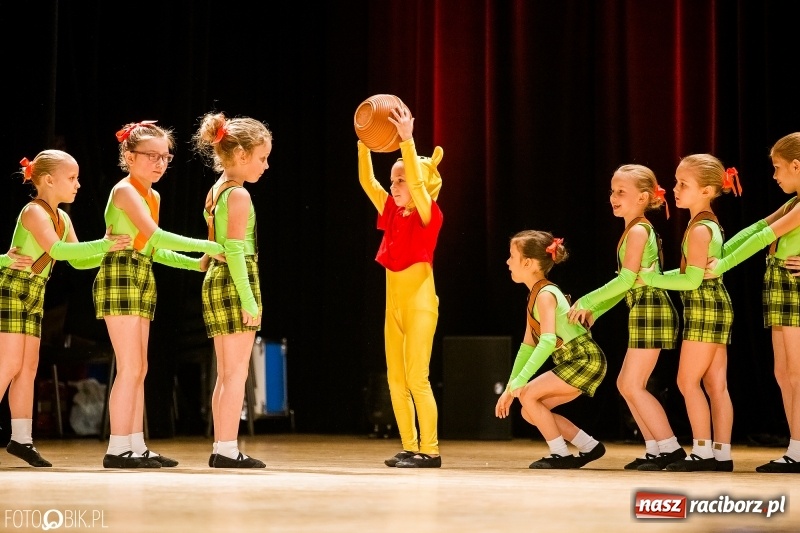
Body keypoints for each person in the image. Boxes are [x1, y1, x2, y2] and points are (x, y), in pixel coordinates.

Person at [95, 120, 224, 469]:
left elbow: (153, 248)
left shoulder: (153, 194)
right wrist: (208, 244)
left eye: (165, 156)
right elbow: (156, 233)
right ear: (129, 155)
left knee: (141, 367)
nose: (159, 163)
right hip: (120, 274)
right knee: (130, 366)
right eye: (150, 156)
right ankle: (117, 447)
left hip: (140, 274)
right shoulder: (124, 191)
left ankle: (136, 445)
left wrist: (195, 263)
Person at [0, 150, 130, 467]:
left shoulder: (63, 218)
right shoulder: (33, 213)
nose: (78, 184)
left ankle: (21, 440)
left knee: (28, 368)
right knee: (8, 365)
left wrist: (107, 250)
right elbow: (56, 249)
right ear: (47, 180)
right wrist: (104, 245)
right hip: (14, 288)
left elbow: (76, 258)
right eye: (71, 178)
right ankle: (19, 438)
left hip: (35, 291)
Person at [567, 165, 685, 470]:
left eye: (621, 192)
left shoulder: (637, 230)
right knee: (626, 383)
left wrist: (587, 300)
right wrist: (595, 310)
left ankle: (670, 448)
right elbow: (626, 286)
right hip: (644, 308)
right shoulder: (633, 229)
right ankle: (654, 449)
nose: (613, 197)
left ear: (643, 197)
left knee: (632, 384)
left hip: (652, 310)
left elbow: (624, 281)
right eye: (612, 191)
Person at [703, 132, 800, 473]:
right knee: (783, 372)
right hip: (779, 282)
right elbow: (757, 227)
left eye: (777, 168)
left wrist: (722, 266)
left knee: (797, 373)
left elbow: (765, 237)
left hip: (794, 286)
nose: (774, 176)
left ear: (796, 165)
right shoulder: (792, 202)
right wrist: (718, 253)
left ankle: (799, 450)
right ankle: (796, 447)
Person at [637, 153, 741, 472]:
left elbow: (693, 279)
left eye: (684, 184)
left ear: (708, 190)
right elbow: (691, 273)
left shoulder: (699, 229)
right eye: (677, 182)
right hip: (714, 304)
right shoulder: (704, 222)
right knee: (715, 384)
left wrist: (651, 278)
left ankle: (702, 451)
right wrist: (655, 278)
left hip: (706, 306)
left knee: (687, 381)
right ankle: (720, 454)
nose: (676, 189)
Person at [358, 105, 444, 468]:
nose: (393, 186)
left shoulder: (430, 213)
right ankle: (410, 445)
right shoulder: (391, 210)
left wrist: (407, 141)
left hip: (420, 304)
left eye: (401, 179)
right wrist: (364, 143)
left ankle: (431, 450)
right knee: (395, 378)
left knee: (416, 378)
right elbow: (368, 182)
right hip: (393, 306)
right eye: (393, 179)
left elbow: (420, 187)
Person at [193, 112, 271, 468]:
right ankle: (226, 448)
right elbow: (237, 249)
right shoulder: (238, 195)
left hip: (216, 279)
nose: (265, 166)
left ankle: (221, 445)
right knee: (235, 372)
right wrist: (249, 299)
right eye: (262, 158)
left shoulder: (216, 190)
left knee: (226, 373)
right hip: (235, 279)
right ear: (241, 155)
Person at [496, 231, 607, 469]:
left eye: (511, 256)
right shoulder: (535, 295)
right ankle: (589, 445)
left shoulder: (546, 295)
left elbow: (546, 342)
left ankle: (560, 454)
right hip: (577, 360)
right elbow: (528, 346)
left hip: (584, 359)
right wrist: (510, 386)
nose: (507, 262)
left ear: (528, 263)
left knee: (527, 396)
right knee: (531, 411)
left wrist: (520, 383)